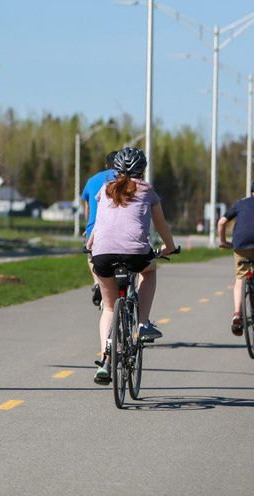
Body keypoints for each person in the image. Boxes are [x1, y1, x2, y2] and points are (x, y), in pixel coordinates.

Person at [86, 146, 176, 385]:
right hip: (135, 254)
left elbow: (99, 225)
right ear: (142, 170)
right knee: (150, 270)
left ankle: (105, 361)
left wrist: (90, 245)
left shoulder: (105, 189)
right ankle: (143, 322)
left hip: (102, 254)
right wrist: (169, 247)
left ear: (115, 170)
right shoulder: (147, 190)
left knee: (108, 307)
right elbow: (161, 225)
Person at [81, 151, 118, 305]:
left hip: (94, 231)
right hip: (118, 231)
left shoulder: (92, 180)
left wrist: (87, 228)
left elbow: (87, 209)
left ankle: (97, 281)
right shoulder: (125, 180)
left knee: (90, 254)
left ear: (106, 164)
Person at [217, 185, 254, 336]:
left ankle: (237, 314)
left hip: (241, 244)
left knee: (240, 278)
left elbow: (221, 222)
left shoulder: (240, 203)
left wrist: (223, 242)